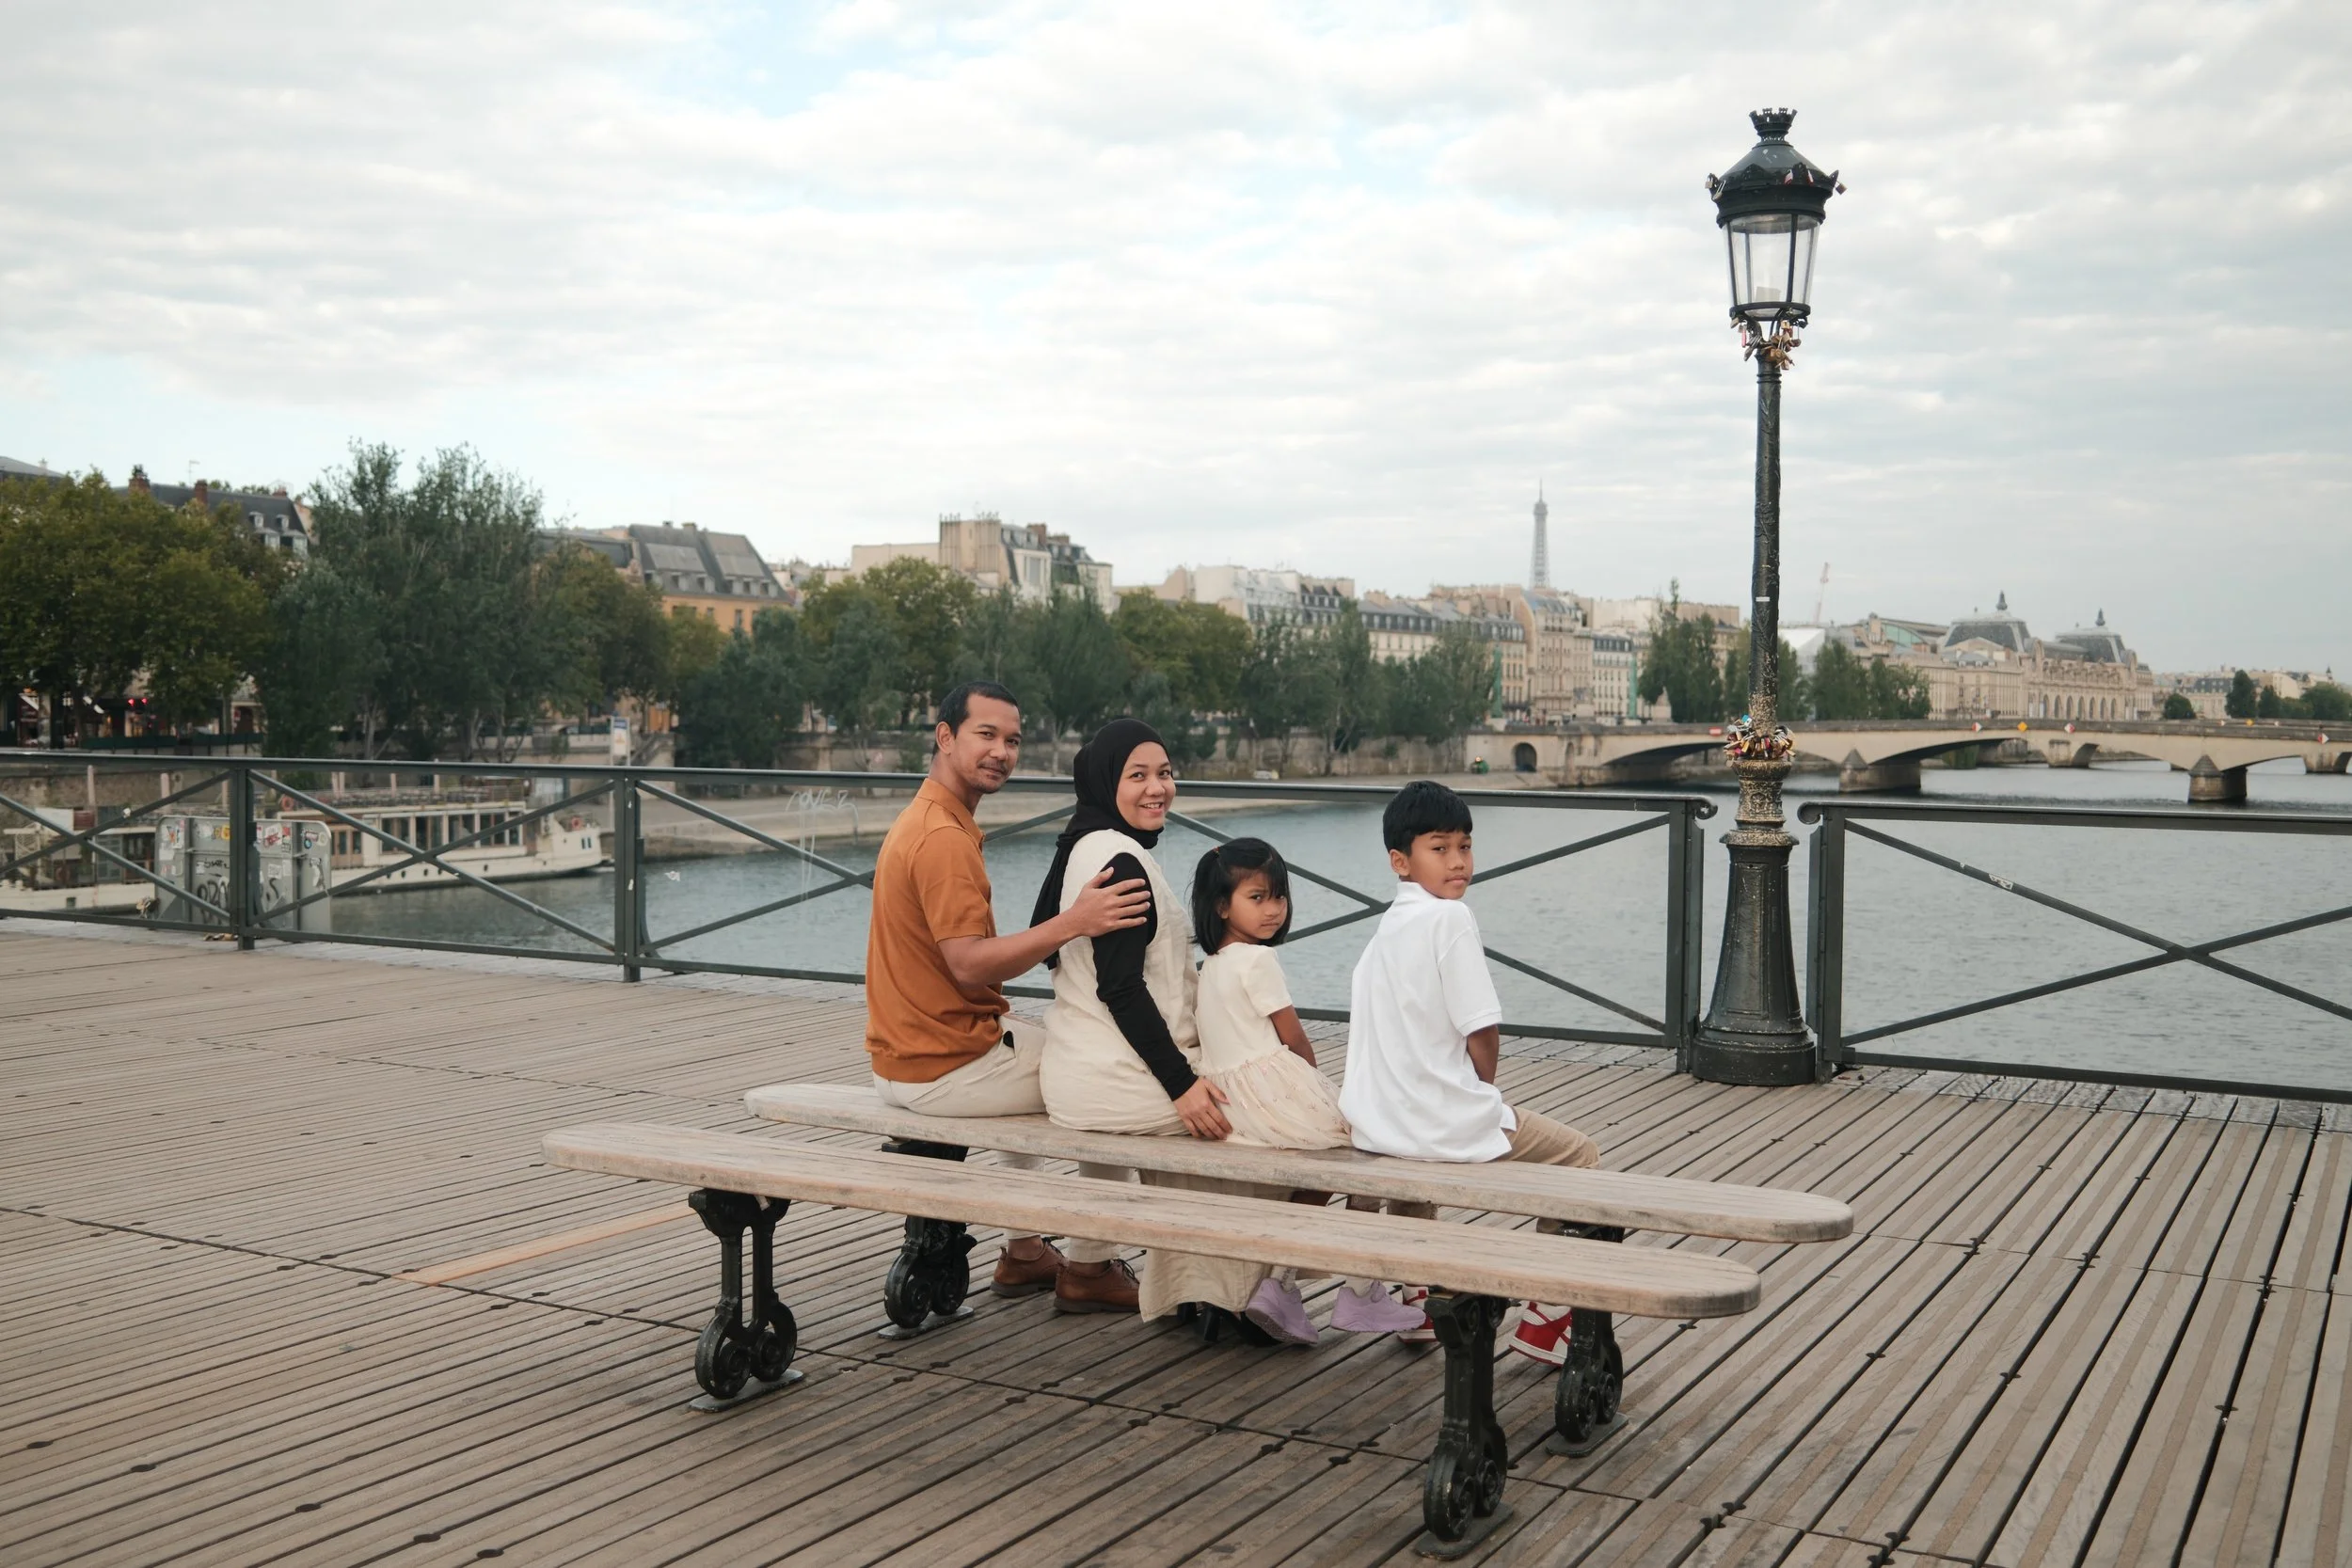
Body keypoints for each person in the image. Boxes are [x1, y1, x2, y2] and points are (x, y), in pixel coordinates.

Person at [865, 680, 1153, 1311]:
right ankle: (1090, 1263)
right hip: (944, 1067)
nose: (1001, 751)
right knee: (1104, 1081)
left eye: (1013, 740)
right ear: (945, 738)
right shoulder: (942, 839)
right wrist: (1075, 920)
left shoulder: (924, 818)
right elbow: (967, 964)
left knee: (1050, 1049)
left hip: (905, 1058)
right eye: (986, 735)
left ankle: (1024, 1250)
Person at [1337, 779, 1605, 1364]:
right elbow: (1482, 1029)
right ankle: (1547, 1314)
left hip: (1381, 1123)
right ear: (1400, 861)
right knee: (1580, 1155)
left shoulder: (1386, 930)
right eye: (1441, 848)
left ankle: (1420, 1302)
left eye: (1465, 846)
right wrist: (1483, 1090)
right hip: (1437, 1121)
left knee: (1415, 1164)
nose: (1458, 862)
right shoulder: (1450, 920)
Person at [1032, 718, 1275, 1323]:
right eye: (1136, 775)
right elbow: (1122, 990)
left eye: (1164, 773)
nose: (1157, 787)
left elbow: (1044, 941)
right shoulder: (1121, 865)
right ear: (1107, 783)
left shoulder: (1082, 844)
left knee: (1239, 1112)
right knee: (1281, 1120)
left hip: (1079, 1067)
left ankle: (1195, 1283)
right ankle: (1248, 1290)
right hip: (1115, 1076)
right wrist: (1182, 1086)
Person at [1189, 837, 1422, 1346]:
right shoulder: (1258, 961)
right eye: (1257, 897)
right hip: (1273, 1090)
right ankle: (1361, 1291)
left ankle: (1280, 1286)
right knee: (1375, 1144)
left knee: (1320, 1177)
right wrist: (1317, 1087)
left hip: (1233, 1101)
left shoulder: (1210, 966)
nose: (1273, 909)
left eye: (1279, 896)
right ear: (1221, 906)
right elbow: (1292, 1038)